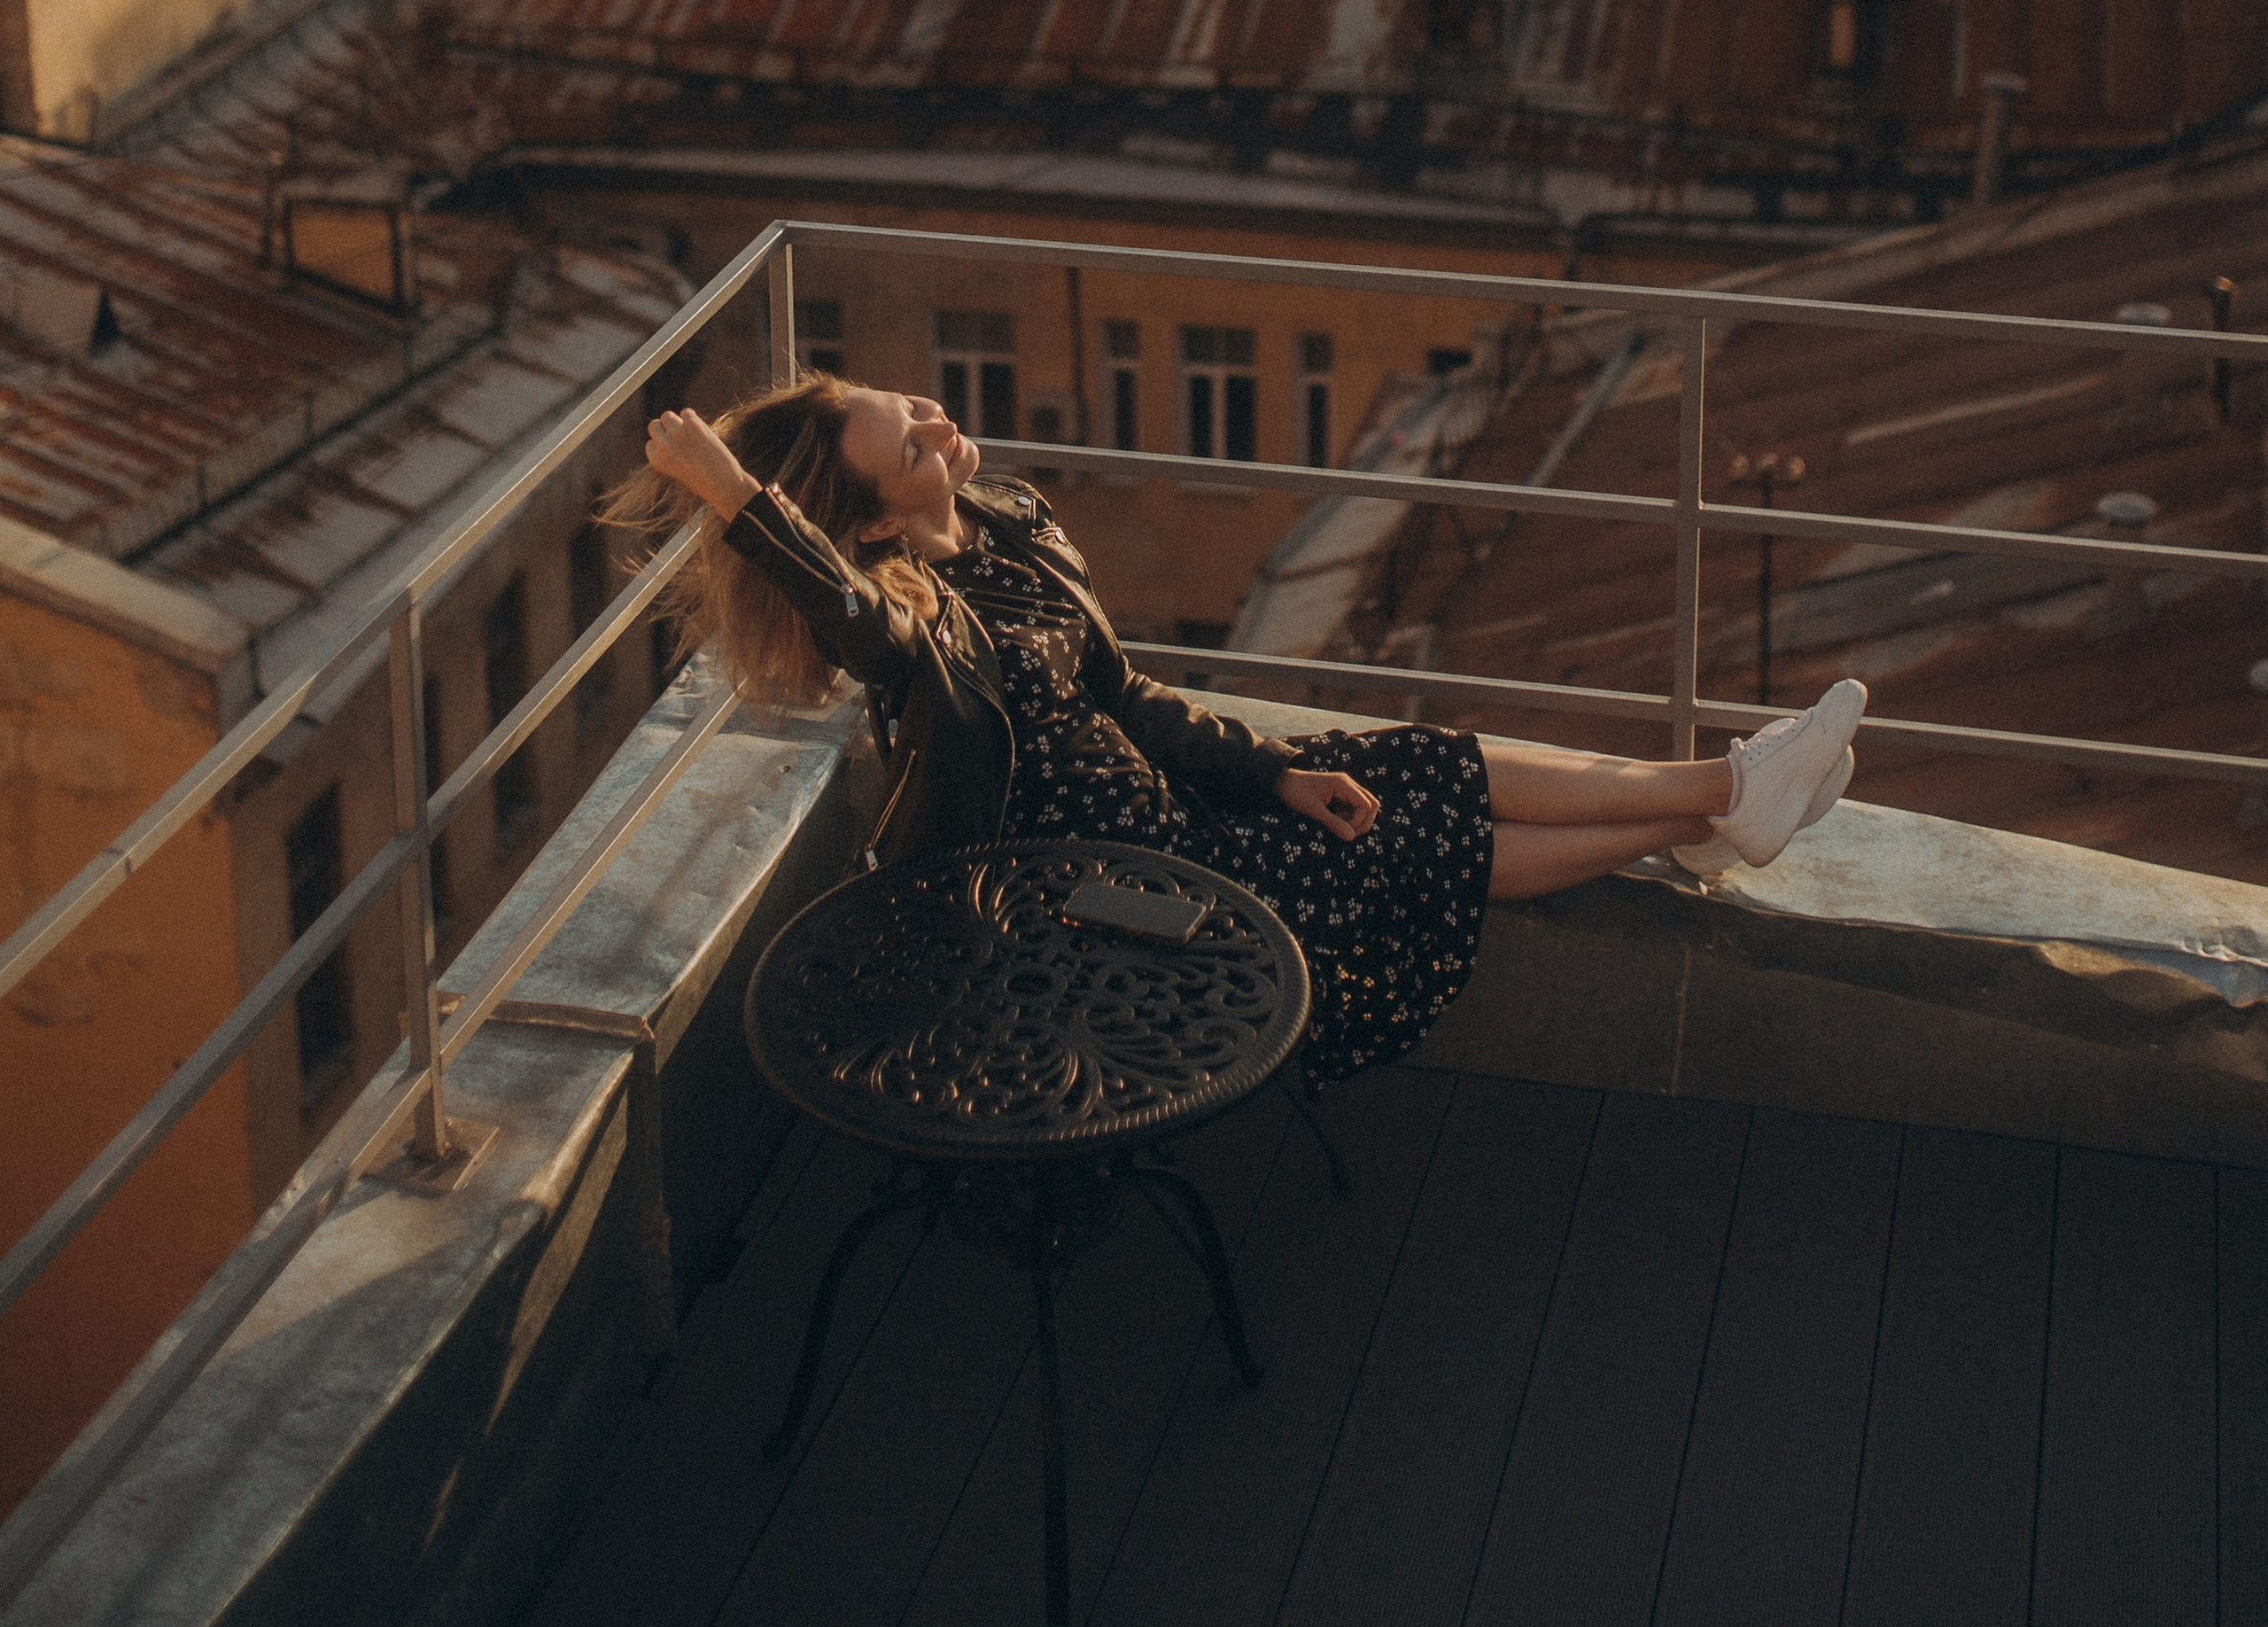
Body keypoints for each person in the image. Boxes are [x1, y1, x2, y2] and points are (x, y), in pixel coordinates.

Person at [616, 376, 1863, 1092]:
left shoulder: (1010, 528)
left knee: (1412, 765)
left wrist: (1274, 767)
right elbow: (840, 613)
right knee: (1406, 844)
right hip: (1086, 895)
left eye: (918, 406)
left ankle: (1718, 797)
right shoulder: (910, 630)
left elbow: (1129, 699)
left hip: (1176, 816)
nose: (941, 425)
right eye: (912, 443)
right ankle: (1723, 802)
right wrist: (736, 497)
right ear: (874, 525)